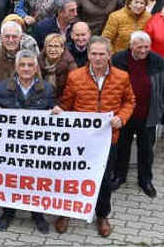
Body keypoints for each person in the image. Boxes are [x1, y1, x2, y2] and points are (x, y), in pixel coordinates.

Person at [52, 36, 136, 238]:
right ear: (88, 55)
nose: (97, 58)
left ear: (109, 55)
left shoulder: (122, 77)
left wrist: (121, 118)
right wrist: (59, 111)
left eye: (101, 54)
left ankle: (102, 215)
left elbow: (130, 101)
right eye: (93, 54)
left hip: (108, 139)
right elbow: (67, 104)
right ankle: (66, 212)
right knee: (72, 176)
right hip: (80, 139)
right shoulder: (75, 76)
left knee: (104, 180)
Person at [0, 49, 53, 234]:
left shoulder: (46, 89)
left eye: (30, 65)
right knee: (10, 179)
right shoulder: (2, 87)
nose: (26, 68)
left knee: (36, 180)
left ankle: (38, 214)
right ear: (16, 67)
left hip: (35, 148)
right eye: (22, 65)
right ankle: (8, 213)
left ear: (36, 68)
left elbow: (52, 115)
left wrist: (56, 111)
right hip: (10, 148)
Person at [111, 31, 164, 198]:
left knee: (146, 149)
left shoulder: (157, 61)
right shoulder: (118, 59)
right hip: (124, 114)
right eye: (139, 47)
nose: (143, 50)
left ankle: (145, 180)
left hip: (148, 113)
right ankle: (120, 176)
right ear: (131, 45)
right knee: (122, 147)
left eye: (146, 47)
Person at [38, 33, 77, 100]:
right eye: (50, 46)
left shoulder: (70, 65)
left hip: (62, 101)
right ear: (45, 48)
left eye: (56, 46)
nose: (53, 50)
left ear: (62, 49)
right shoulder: (37, 63)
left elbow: (72, 90)